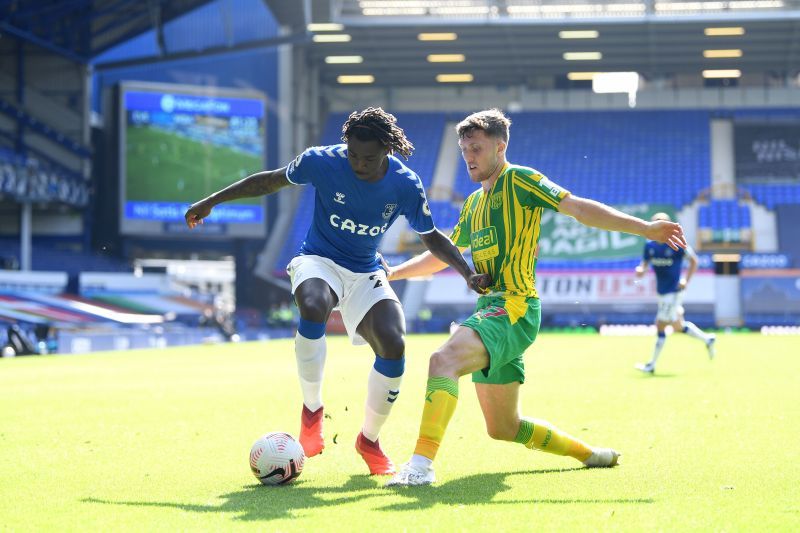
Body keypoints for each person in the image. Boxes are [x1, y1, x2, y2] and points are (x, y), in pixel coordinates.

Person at [383, 109, 688, 486]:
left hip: (515, 308)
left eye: (476, 148)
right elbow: (442, 255)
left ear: (500, 146)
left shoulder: (520, 179)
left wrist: (645, 229)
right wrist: (393, 273)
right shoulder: (474, 204)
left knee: (442, 360)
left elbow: (577, 208)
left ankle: (419, 468)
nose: (469, 158)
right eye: (464, 151)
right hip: (492, 310)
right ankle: (589, 454)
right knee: (503, 427)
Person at [185, 107, 489, 475]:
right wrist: (212, 201)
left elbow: (433, 238)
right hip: (318, 260)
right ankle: (312, 411)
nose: (359, 164)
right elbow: (269, 180)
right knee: (313, 305)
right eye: (353, 155)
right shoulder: (321, 161)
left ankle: (369, 440)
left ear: (387, 152)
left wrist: (466, 273)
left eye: (369, 158)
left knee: (394, 342)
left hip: (365, 270)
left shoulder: (405, 184)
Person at [634, 213, 716, 374]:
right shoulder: (650, 246)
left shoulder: (676, 243)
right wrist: (641, 270)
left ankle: (651, 365)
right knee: (678, 326)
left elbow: (694, 261)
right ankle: (708, 339)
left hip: (673, 291)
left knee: (660, 324)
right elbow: (644, 264)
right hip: (662, 291)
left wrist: (686, 280)